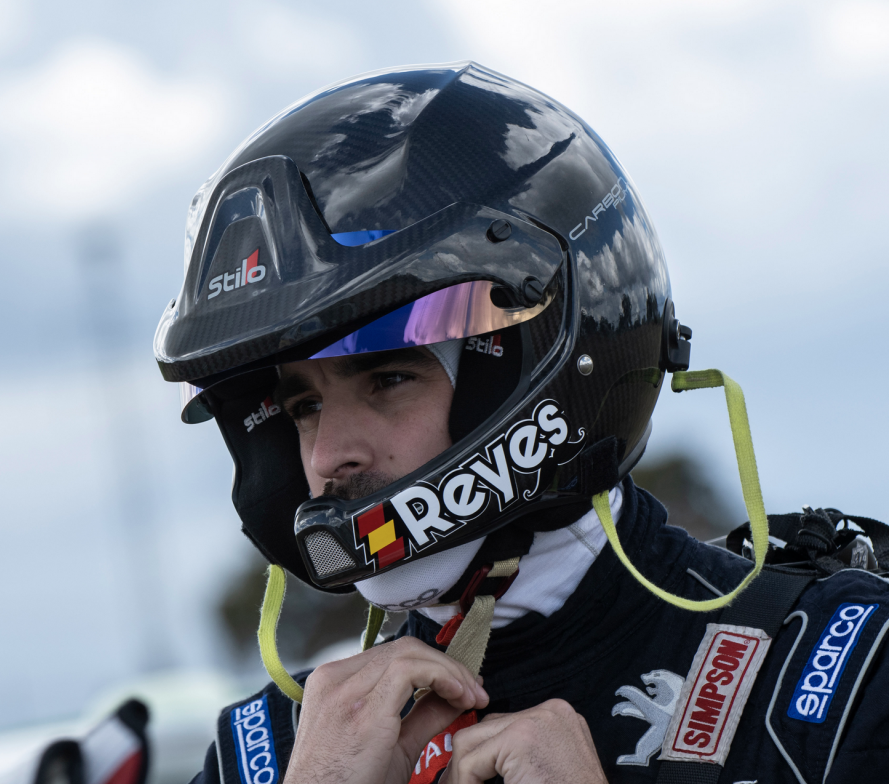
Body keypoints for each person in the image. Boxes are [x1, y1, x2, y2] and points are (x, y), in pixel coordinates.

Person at [153, 62, 889, 783]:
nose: (327, 459)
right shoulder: (269, 755)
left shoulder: (841, 674)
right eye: (304, 407)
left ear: (532, 369)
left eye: (388, 379)